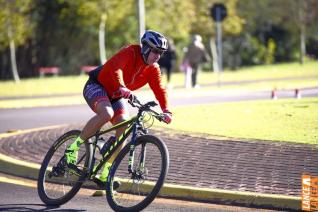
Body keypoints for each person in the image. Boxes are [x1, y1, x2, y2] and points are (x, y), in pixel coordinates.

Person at [64, 30, 172, 185]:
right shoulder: (130, 52)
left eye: (161, 53)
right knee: (106, 113)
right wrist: (122, 87)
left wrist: (166, 110)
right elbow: (116, 68)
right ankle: (73, 148)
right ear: (146, 48)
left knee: (124, 124)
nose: (158, 56)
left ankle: (106, 173)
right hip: (97, 85)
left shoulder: (153, 69)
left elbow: (160, 90)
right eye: (155, 51)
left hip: (116, 95)